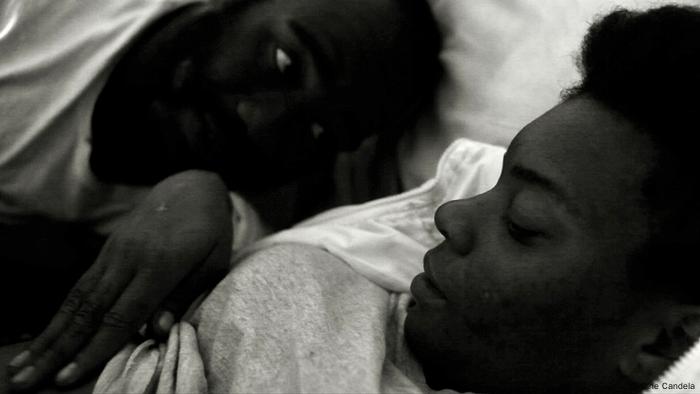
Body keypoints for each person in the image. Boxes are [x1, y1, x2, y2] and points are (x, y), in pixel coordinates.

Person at [54, 4, 699, 393]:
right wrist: (204, 199)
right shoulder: (396, 250)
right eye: (499, 182)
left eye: (525, 226)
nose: (451, 214)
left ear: (663, 341)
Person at [0, 0, 440, 390]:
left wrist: (204, 192)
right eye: (286, 63)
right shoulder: (28, 21)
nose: (258, 120)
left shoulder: (204, 220)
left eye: (318, 129)